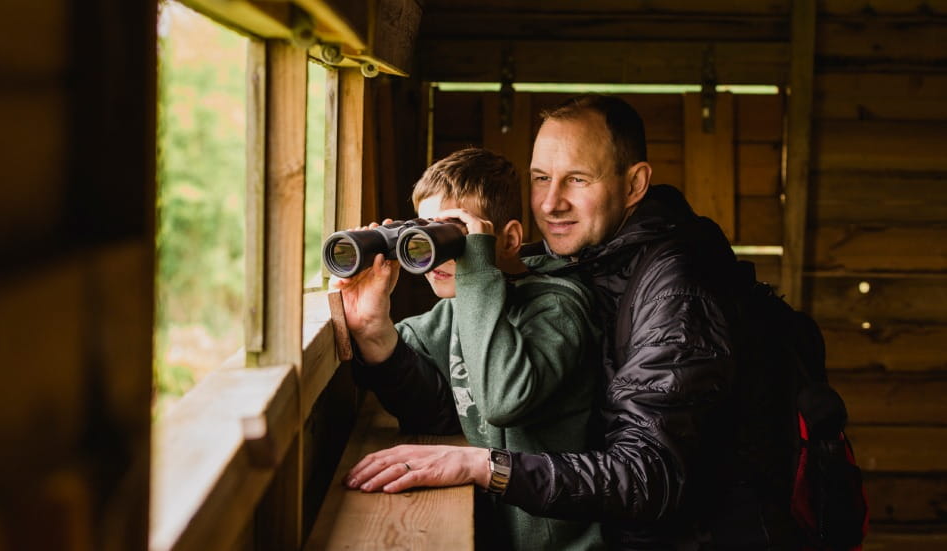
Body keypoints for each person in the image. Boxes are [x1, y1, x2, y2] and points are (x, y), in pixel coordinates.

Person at [344, 95, 799, 549]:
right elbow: (461, 404)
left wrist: (487, 467)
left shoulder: (677, 293)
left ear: (634, 184)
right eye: (542, 179)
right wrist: (374, 333)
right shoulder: (575, 260)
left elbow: (647, 477)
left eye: (578, 179)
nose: (551, 203)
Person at [334, 147, 605, 550]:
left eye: (451, 236)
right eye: (423, 234)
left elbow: (502, 400)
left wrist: (477, 268)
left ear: (508, 239)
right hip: (491, 530)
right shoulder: (457, 308)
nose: (433, 256)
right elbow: (430, 404)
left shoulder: (557, 307)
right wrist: (374, 328)